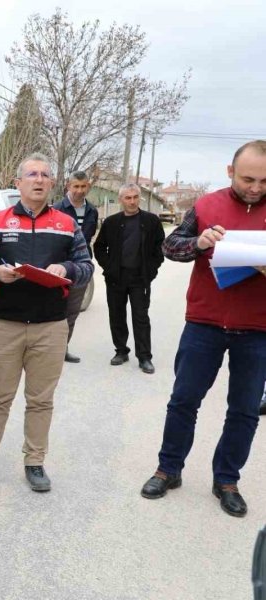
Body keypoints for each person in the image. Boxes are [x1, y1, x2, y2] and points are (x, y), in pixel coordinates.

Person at [140, 140, 266, 518]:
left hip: (258, 329)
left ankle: (226, 479)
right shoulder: (206, 206)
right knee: (183, 401)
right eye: (248, 179)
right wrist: (198, 241)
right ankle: (168, 469)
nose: (257, 187)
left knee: (243, 411)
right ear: (230, 172)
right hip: (204, 324)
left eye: (264, 180)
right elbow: (170, 246)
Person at [0, 153, 94, 492]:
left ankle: (35, 462)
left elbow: (87, 266)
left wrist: (68, 270)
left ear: (52, 184)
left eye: (45, 175)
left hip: (50, 327)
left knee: (40, 400)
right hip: (4, 325)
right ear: (18, 183)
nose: (38, 180)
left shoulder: (67, 223)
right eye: (32, 174)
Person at [92, 183, 165, 374]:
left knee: (141, 316)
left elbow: (160, 248)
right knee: (116, 315)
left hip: (140, 278)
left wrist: (152, 269)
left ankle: (144, 357)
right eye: (127, 197)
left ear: (139, 198)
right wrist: (109, 267)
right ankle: (121, 351)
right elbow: (99, 247)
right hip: (116, 277)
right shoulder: (111, 222)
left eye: (135, 197)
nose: (132, 201)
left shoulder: (151, 221)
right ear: (121, 200)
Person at [53, 170, 99, 363]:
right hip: (57, 267)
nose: (79, 191)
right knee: (55, 311)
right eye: (76, 186)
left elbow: (87, 239)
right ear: (68, 186)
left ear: (88, 186)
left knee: (72, 312)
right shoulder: (56, 209)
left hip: (80, 268)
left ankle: (63, 349)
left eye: (83, 186)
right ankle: (50, 351)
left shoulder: (92, 211)